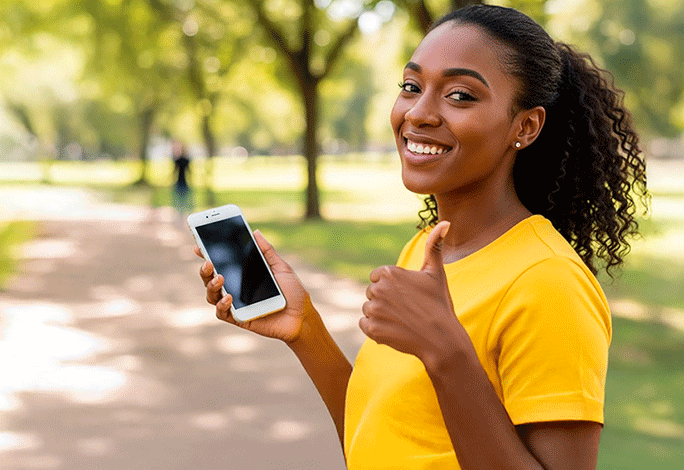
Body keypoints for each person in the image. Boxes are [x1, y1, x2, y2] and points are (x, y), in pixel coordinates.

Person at [195, 5, 647, 469]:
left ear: (525, 126)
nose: (420, 112)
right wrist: (304, 328)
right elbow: (377, 440)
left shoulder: (548, 282)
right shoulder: (428, 248)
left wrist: (445, 352)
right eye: (411, 86)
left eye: (459, 95)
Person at [172, 141, 192, 217]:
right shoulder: (185, 160)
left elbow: (174, 171)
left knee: (180, 198)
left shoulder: (178, 160)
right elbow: (190, 171)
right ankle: (182, 212)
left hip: (181, 181)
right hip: (183, 181)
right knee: (183, 198)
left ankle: (181, 212)